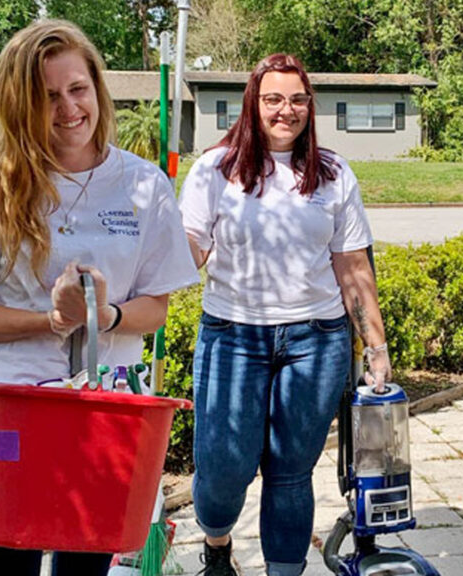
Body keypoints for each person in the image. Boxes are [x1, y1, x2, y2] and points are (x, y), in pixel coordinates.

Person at [0, 19, 199, 576]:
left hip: (107, 423)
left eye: (77, 89)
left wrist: (106, 313)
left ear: (97, 86)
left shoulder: (145, 185)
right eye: (46, 97)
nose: (69, 108)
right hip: (11, 422)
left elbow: (156, 308)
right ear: (20, 105)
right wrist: (50, 319)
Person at [177, 53, 391, 576]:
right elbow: (188, 252)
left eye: (297, 99)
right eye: (273, 98)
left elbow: (353, 267)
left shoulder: (333, 174)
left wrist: (377, 348)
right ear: (254, 104)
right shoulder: (214, 169)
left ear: (309, 106)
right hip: (232, 336)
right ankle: (218, 545)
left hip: (315, 340)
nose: (286, 110)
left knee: (291, 473)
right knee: (225, 469)